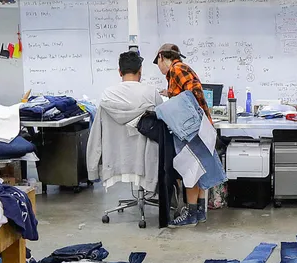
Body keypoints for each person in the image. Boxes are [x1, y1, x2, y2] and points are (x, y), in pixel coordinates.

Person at [86, 51, 161, 195]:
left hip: (115, 161)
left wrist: (92, 170)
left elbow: (96, 135)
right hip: (145, 162)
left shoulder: (107, 96)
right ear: (140, 71)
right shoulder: (151, 93)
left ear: (120, 72)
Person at [155, 43, 212, 226]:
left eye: (158, 63)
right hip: (198, 127)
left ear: (162, 57)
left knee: (189, 170)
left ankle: (191, 215)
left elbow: (193, 95)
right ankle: (200, 212)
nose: (159, 68)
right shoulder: (179, 70)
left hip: (192, 129)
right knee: (199, 169)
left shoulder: (177, 69)